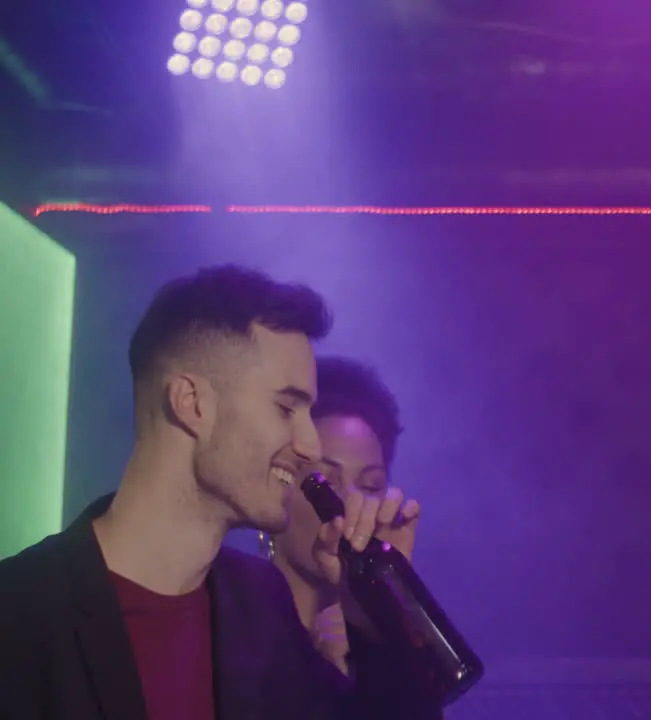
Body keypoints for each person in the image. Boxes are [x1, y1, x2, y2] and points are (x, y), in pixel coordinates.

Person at [0, 265, 440, 719]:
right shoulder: (21, 612)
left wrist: (380, 612)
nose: (309, 445)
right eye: (287, 407)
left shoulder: (259, 607)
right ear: (191, 403)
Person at [262, 355, 406, 675]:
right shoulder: (227, 623)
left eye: (369, 486)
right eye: (326, 483)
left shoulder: (388, 645)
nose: (351, 504)